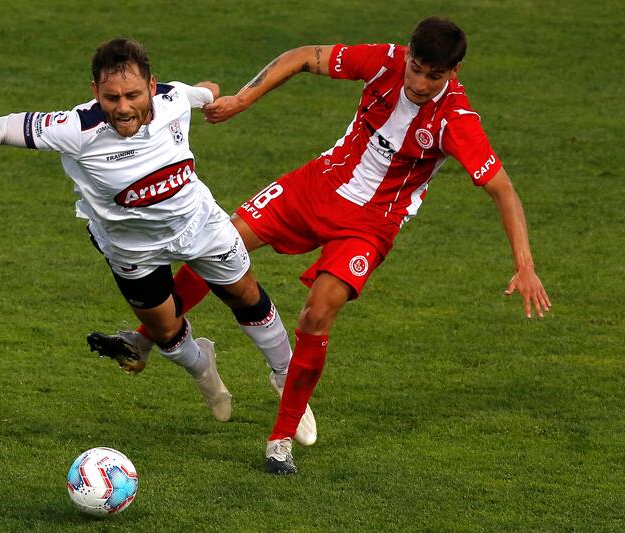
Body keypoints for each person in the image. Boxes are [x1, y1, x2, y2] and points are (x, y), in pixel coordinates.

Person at [89, 18, 551, 475]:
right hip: (317, 184)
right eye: (417, 67)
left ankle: (280, 437)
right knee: (219, 243)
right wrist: (245, 99)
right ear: (408, 55)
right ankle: (147, 338)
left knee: (317, 311)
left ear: (454, 72)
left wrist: (524, 266)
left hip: (371, 223)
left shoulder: (456, 120)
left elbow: (503, 189)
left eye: (435, 75)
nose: (421, 82)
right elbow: (304, 56)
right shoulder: (384, 62)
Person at [0, 38, 316, 443]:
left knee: (245, 296)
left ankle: (288, 381)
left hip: (200, 225)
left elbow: (205, 91)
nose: (123, 107)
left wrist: (211, 95)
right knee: (165, 333)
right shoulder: (76, 128)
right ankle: (204, 370)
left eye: (133, 94)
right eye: (111, 97)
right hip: (132, 250)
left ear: (152, 86)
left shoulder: (174, 99)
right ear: (95, 91)